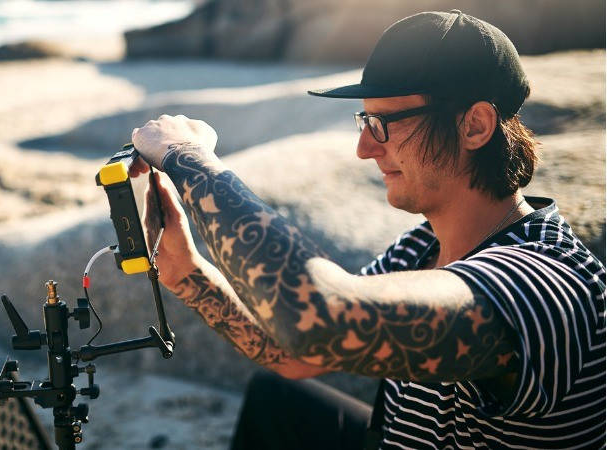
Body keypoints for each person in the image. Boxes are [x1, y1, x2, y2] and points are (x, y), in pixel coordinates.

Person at [129, 10, 606, 449]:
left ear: (475, 126)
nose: (363, 147)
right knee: (276, 398)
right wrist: (187, 274)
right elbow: (301, 355)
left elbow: (319, 318)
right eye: (365, 120)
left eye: (383, 123)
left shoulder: (543, 282)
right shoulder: (422, 247)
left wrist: (189, 160)